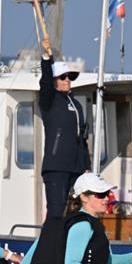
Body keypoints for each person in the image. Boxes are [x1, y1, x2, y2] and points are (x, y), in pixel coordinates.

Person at [39, 36, 91, 219]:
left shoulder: (76, 104)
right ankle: (48, 245)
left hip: (76, 168)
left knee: (75, 212)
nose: (68, 80)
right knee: (56, 211)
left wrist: (86, 166)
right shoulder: (49, 100)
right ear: (54, 81)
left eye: (70, 77)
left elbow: (82, 138)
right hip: (56, 167)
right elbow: (45, 82)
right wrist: (46, 58)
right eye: (63, 77)